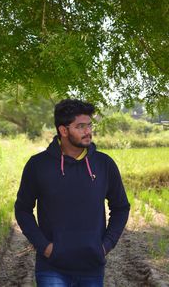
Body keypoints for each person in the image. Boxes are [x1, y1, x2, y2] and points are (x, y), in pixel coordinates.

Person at [15, 99, 130, 287]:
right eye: (81, 126)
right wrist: (45, 247)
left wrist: (105, 246)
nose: (88, 131)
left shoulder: (104, 164)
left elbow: (121, 208)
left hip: (92, 267)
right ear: (63, 130)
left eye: (89, 125)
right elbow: (22, 210)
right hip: (51, 266)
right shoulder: (38, 165)